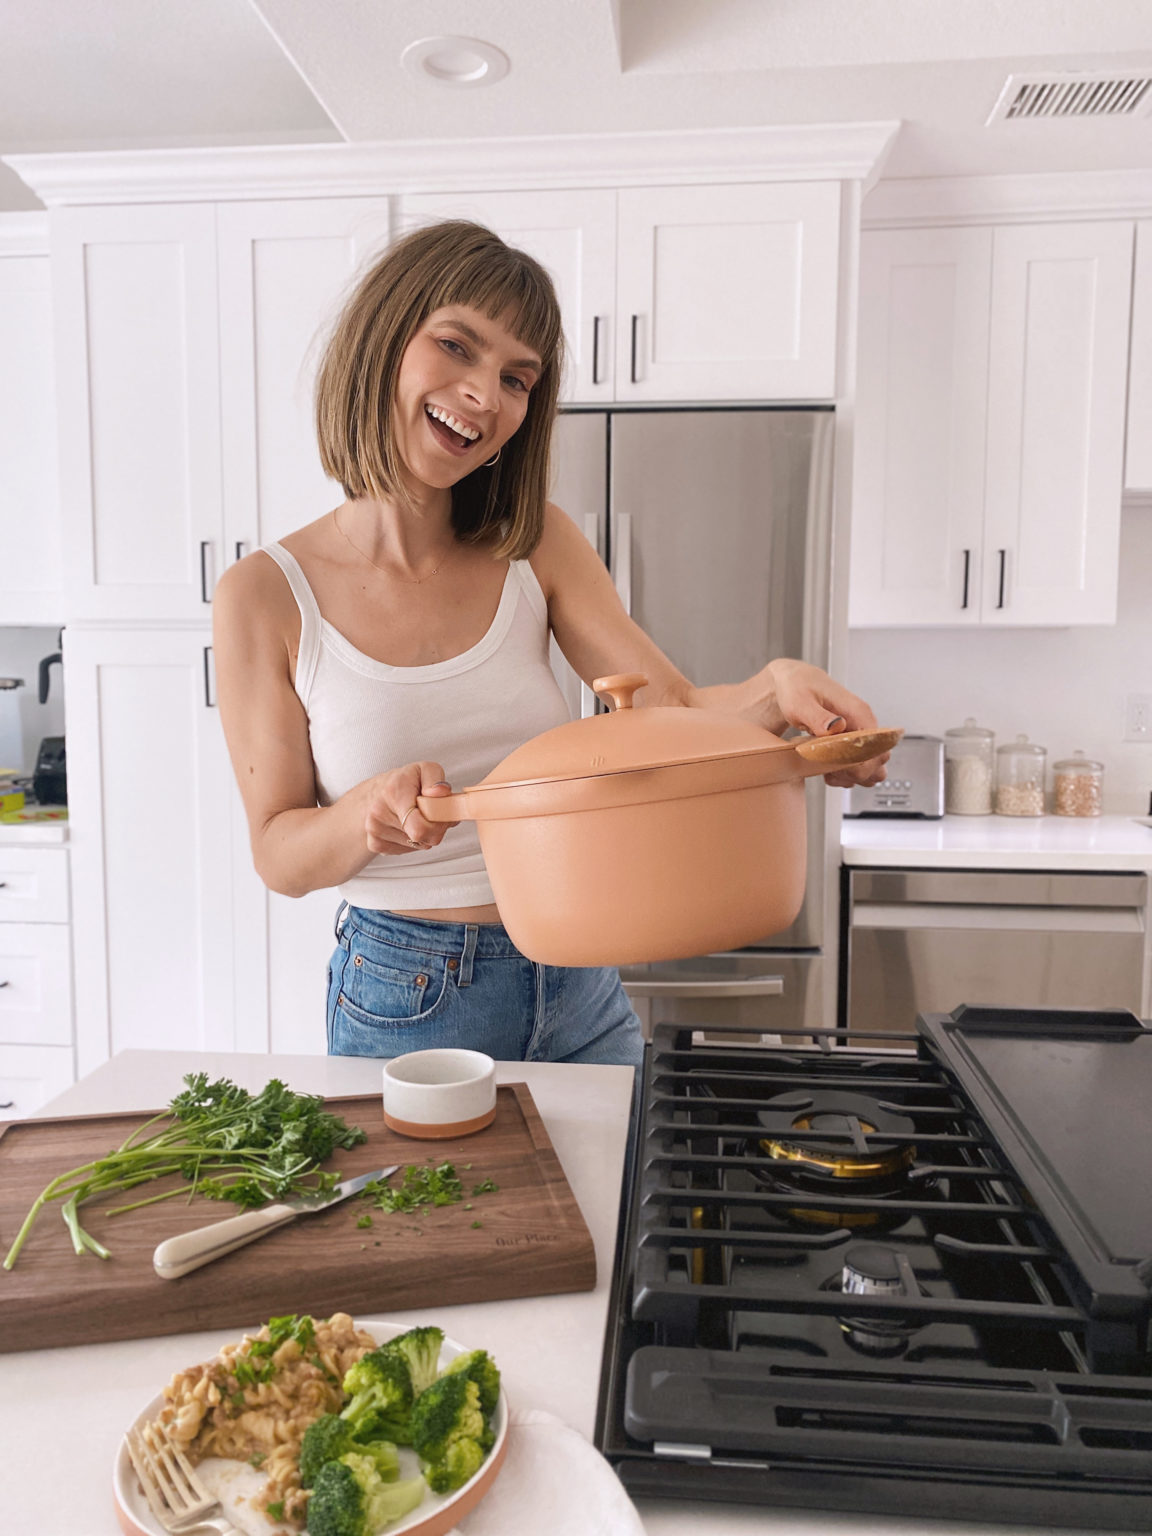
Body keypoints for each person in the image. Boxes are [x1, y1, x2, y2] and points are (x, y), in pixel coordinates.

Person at [213, 219, 888, 1070]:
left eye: (516, 378)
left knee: (615, 1202)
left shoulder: (535, 542)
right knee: (438, 1213)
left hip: (579, 967)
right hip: (412, 991)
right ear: (383, 339)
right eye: (457, 346)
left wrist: (781, 692)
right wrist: (365, 816)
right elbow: (279, 850)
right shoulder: (266, 595)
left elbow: (673, 713)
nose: (484, 395)